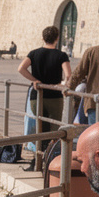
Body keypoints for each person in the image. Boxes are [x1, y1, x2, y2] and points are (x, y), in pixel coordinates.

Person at [19, 26, 73, 163]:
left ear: (43, 38)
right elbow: (69, 76)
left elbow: (21, 68)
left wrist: (34, 80)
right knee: (55, 130)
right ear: (57, 38)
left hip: (37, 96)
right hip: (55, 97)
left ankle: (38, 158)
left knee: (40, 127)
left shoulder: (34, 53)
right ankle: (51, 159)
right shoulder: (61, 55)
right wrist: (63, 85)